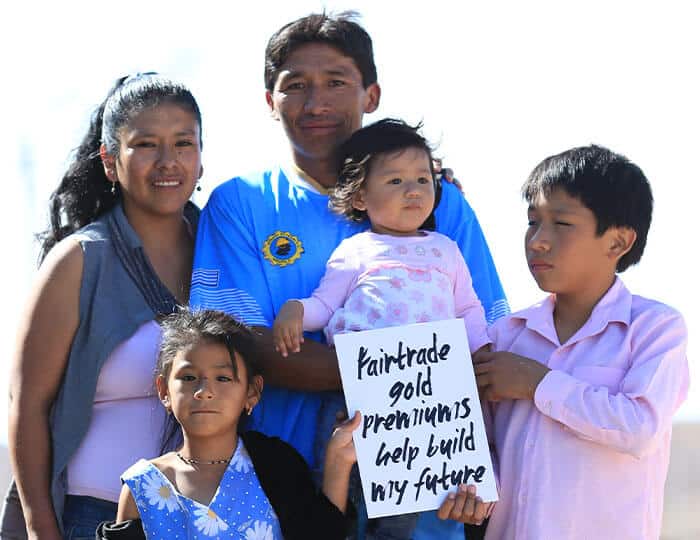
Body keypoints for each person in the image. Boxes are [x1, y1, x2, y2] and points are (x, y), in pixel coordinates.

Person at [190, 12, 508, 539]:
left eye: (336, 82)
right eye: (296, 86)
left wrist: (479, 461)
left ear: (372, 94)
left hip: (428, 475)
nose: (316, 103)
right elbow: (236, 347)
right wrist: (406, 370)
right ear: (270, 101)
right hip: (282, 482)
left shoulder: (440, 203)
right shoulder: (239, 203)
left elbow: (483, 344)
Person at [2, 73, 203, 539]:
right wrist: (39, 526)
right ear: (110, 163)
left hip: (212, 520)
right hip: (97, 519)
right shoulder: (78, 260)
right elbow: (27, 404)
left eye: (183, 143)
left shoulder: (225, 243)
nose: (168, 161)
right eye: (146, 145)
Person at [272, 118, 493, 538]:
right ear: (359, 195)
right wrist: (294, 311)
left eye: (422, 179)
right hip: (355, 396)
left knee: (409, 513)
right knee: (346, 499)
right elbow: (323, 304)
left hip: (428, 404)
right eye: (394, 180)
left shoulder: (446, 250)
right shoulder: (355, 250)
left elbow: (468, 310)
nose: (413, 190)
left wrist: (482, 356)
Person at [473, 145, 689, 539]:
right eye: (532, 221)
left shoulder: (655, 329)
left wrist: (537, 382)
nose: (537, 240)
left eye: (562, 224)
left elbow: (639, 428)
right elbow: (477, 446)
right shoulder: (505, 336)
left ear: (617, 243)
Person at [109, 308, 358, 539]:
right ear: (164, 391)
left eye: (223, 378)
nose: (204, 391)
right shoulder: (142, 486)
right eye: (189, 377)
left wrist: (339, 461)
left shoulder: (277, 465)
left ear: (252, 391)